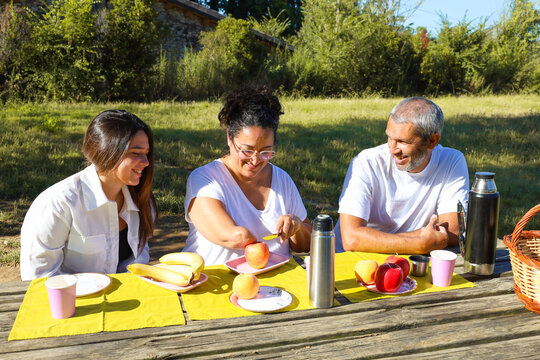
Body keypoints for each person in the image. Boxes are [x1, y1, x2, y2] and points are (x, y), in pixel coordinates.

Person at [20, 110, 158, 280]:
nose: (146, 162)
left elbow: (138, 259)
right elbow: (39, 277)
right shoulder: (58, 204)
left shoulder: (141, 199)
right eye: (136, 153)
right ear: (106, 152)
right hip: (73, 304)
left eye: (146, 153)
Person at [183, 87, 311, 265]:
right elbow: (234, 236)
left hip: (275, 284)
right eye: (247, 150)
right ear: (229, 138)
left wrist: (296, 226)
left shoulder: (282, 180)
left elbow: (307, 244)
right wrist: (266, 245)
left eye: (266, 151)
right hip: (217, 284)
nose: (255, 160)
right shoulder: (205, 179)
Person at [336, 96, 469, 254]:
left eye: (402, 141)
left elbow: (454, 230)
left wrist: (375, 241)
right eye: (389, 137)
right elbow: (352, 238)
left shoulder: (451, 161)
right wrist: (419, 244)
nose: (392, 149)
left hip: (403, 264)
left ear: (432, 141)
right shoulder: (366, 162)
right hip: (348, 261)